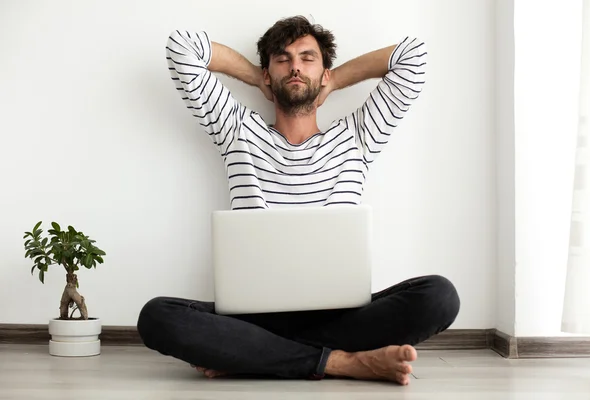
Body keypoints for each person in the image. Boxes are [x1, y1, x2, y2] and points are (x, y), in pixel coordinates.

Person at [137, 15, 460, 386]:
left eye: (308, 58)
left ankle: (258, 356)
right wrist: (258, 78)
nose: (295, 67)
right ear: (268, 74)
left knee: (440, 296)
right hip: (251, 316)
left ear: (323, 73)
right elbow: (183, 48)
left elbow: (413, 57)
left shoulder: (357, 137)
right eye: (282, 59)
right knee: (156, 317)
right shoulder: (237, 130)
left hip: (341, 316)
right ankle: (342, 363)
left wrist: (336, 80)